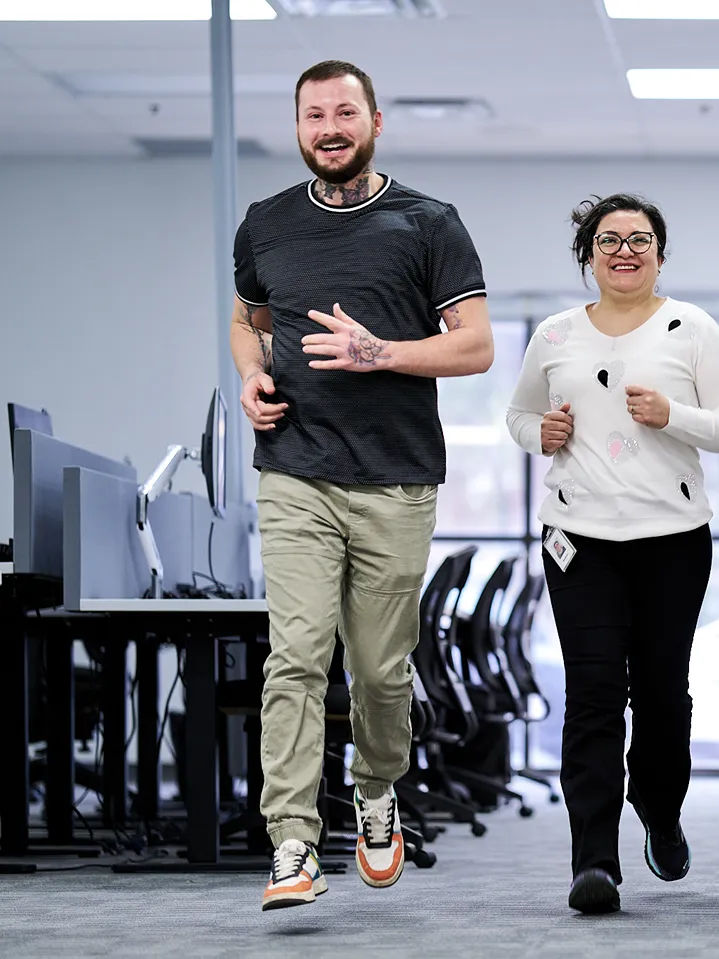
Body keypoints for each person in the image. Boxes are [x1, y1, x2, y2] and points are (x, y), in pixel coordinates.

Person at [230, 60, 493, 911]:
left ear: (376, 121)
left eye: (345, 112)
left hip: (395, 477)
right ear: (298, 127)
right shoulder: (265, 223)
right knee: (297, 656)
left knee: (381, 672)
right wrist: (251, 375)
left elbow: (475, 345)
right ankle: (292, 841)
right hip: (294, 470)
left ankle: (376, 787)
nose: (330, 128)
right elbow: (246, 321)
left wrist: (378, 351)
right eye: (314, 115)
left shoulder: (428, 222)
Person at [506, 193, 719, 915]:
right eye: (609, 240)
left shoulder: (692, 328)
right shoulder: (554, 334)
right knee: (591, 697)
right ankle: (594, 860)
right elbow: (518, 413)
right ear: (589, 255)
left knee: (661, 695)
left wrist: (673, 415)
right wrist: (539, 433)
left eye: (639, 239)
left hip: (673, 540)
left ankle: (659, 804)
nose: (624, 250)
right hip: (578, 540)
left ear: (660, 255)